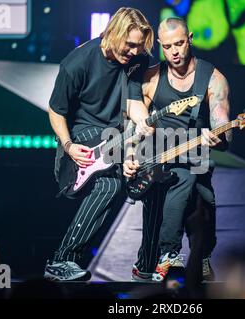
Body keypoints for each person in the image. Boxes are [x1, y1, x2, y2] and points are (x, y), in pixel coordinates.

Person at [45, 7, 154, 281]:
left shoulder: (136, 60)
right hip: (80, 134)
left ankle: (63, 260)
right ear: (113, 32)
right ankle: (63, 259)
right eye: (129, 44)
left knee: (122, 182)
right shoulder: (77, 62)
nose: (133, 51)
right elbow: (56, 110)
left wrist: (144, 123)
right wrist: (68, 146)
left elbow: (133, 101)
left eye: (138, 47)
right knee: (112, 182)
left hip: (115, 136)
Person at [123, 17, 232, 282]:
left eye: (180, 43)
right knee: (185, 181)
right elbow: (133, 122)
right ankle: (169, 255)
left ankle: (199, 256)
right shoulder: (151, 78)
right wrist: (128, 155)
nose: (174, 51)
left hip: (196, 153)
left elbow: (224, 128)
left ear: (190, 38)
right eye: (168, 46)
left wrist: (218, 136)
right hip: (157, 158)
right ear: (160, 45)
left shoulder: (213, 79)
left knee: (204, 197)